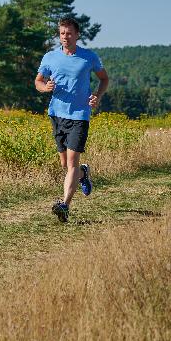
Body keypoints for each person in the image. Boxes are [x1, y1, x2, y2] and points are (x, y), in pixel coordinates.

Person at [35, 17, 109, 222]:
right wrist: (45, 88)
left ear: (77, 35)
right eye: (61, 33)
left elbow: (104, 78)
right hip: (56, 114)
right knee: (65, 164)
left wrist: (97, 95)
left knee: (72, 162)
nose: (65, 37)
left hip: (79, 115)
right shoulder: (50, 57)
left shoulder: (88, 57)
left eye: (68, 33)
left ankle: (65, 205)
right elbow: (38, 81)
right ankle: (83, 174)